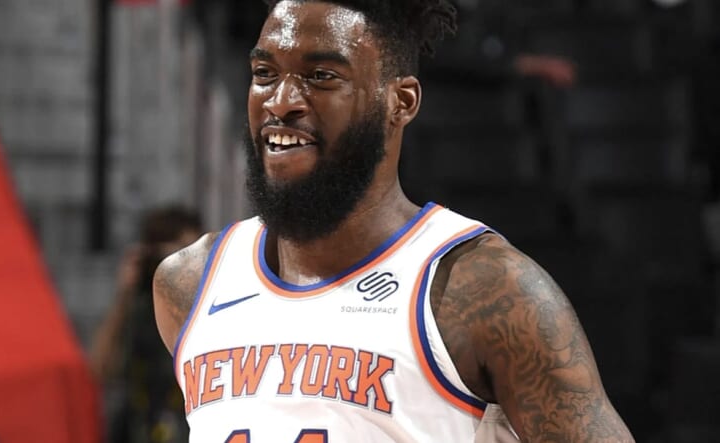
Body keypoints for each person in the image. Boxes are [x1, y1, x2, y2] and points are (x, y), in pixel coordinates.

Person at [152, 1, 634, 441]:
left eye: (321, 76)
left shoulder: (486, 291)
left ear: (400, 102)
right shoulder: (189, 283)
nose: (281, 101)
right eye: (264, 73)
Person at [91, 207, 202, 443]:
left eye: (191, 254)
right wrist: (124, 294)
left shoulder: (207, 308)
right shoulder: (138, 308)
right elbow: (100, 369)